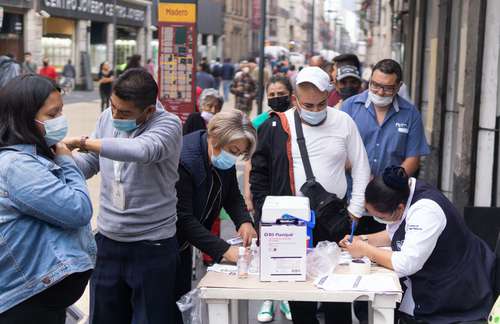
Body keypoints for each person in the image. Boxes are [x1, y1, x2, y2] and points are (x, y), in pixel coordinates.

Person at [250, 67, 370, 324]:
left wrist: (355, 211)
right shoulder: (276, 126)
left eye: (320, 104)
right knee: (300, 299)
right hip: (291, 224)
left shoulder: (343, 122)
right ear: (295, 99)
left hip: (333, 220)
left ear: (329, 95)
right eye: (308, 105)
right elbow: (259, 175)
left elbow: (361, 165)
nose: (315, 110)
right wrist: (263, 217)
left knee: (337, 298)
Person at [63, 68, 183, 323]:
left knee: (150, 318)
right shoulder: (107, 117)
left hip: (153, 244)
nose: (115, 114)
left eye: (124, 112)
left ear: (149, 111)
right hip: (108, 239)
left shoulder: (168, 125)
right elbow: (89, 163)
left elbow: (142, 150)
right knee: (104, 317)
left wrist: (82, 142)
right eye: (113, 106)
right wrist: (58, 160)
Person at [340, 166, 495, 324]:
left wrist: (365, 250)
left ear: (399, 208)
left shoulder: (426, 211)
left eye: (379, 216)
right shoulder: (404, 191)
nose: (374, 218)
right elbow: (394, 233)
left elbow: (406, 264)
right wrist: (363, 239)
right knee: (368, 307)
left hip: (457, 290)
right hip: (435, 279)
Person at [0, 74, 95, 322]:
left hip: (38, 299)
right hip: (24, 302)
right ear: (23, 119)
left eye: (61, 112)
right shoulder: (17, 166)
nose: (60, 121)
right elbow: (78, 209)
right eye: (52, 116)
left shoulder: (31, 156)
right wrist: (64, 158)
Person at [175, 110, 257, 322]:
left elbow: (231, 194)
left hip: (184, 246)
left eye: (239, 153)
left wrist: (244, 221)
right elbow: (183, 219)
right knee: (167, 310)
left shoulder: (221, 156)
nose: (234, 157)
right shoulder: (185, 160)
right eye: (233, 150)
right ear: (215, 137)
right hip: (166, 246)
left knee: (178, 306)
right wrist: (224, 250)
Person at [341, 58, 430, 236]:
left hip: (389, 206)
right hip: (352, 200)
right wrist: (360, 171)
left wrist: (387, 184)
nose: (380, 92)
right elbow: (337, 151)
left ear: (399, 86)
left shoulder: (410, 114)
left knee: (381, 254)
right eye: (375, 85)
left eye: (387, 88)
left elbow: (413, 158)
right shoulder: (350, 107)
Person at [242, 75, 295, 322]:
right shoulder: (260, 122)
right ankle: (268, 297)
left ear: (291, 94)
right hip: (267, 193)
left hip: (292, 193)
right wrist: (249, 194)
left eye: (280, 93)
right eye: (271, 95)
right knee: (269, 246)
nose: (276, 98)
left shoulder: (297, 121)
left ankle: (287, 297)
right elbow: (251, 162)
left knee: (292, 247)